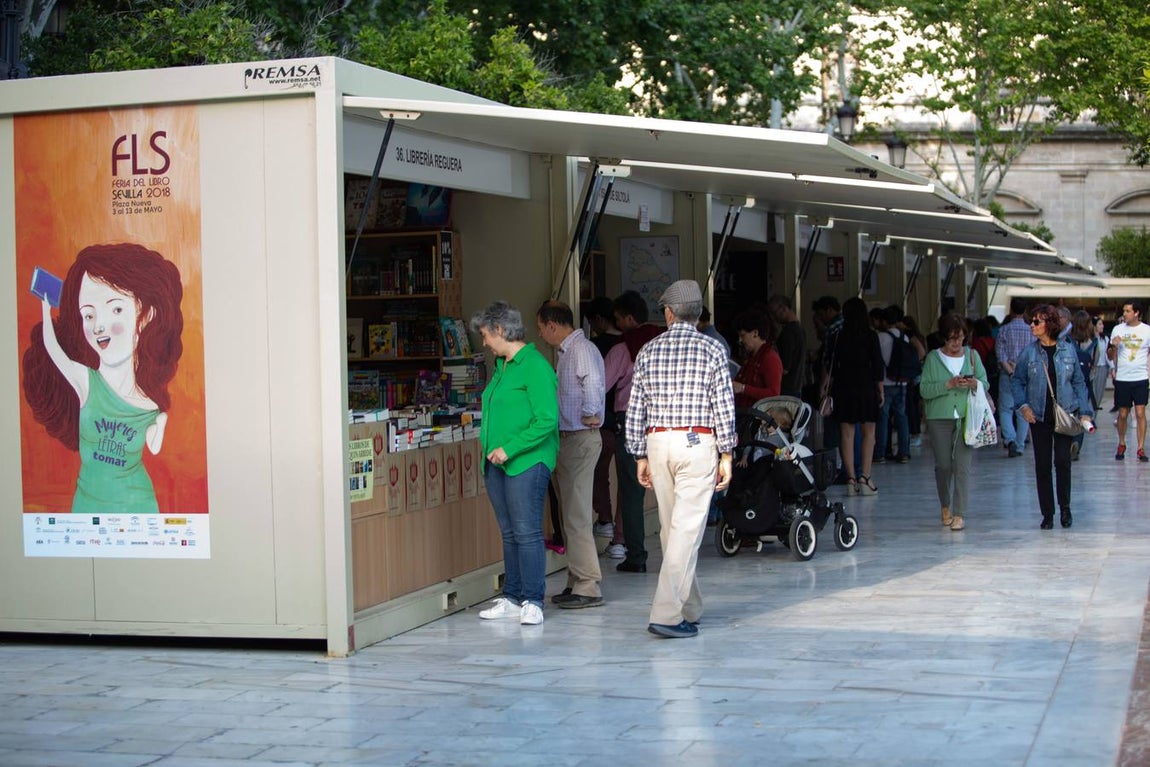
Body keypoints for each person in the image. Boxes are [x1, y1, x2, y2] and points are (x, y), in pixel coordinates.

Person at [24, 243, 184, 514]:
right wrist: (45, 306)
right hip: (87, 505)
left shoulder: (149, 407)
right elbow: (54, 350)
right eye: (88, 314)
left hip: (138, 508)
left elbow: (154, 448)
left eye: (116, 310)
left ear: (146, 316)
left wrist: (160, 423)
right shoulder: (87, 382)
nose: (98, 325)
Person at [626, 279, 735, 639]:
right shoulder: (713, 349)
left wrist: (639, 454)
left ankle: (689, 606)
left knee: (673, 530)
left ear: (670, 313)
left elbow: (636, 407)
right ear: (699, 314)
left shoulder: (648, 350)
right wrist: (727, 452)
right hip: (697, 441)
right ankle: (667, 614)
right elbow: (723, 405)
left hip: (658, 442)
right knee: (686, 532)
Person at [470, 301, 559, 625]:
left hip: (526, 462)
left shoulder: (534, 366)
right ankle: (512, 597)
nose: (484, 343)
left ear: (500, 330)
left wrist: (509, 449)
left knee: (526, 532)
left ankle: (533, 600)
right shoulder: (502, 366)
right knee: (509, 533)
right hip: (496, 463)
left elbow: (547, 419)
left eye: (485, 335)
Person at [536, 301, 606, 609]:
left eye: (541, 328)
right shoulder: (568, 352)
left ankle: (587, 584)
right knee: (569, 515)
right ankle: (576, 579)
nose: (541, 335)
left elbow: (593, 383)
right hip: (568, 440)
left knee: (576, 516)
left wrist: (591, 412)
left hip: (579, 438)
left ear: (552, 325)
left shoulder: (581, 350)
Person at [1014, 304, 1094, 530]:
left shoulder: (1067, 350)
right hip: (1038, 417)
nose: (1032, 325)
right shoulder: (1029, 353)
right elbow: (1017, 381)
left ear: (1049, 324)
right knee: (1042, 466)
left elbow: (1079, 382)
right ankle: (1047, 513)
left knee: (1062, 462)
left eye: (1036, 322)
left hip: (1064, 414)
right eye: (1032, 321)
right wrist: (1023, 406)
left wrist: (1085, 411)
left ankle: (1065, 508)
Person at [603, 291, 663, 569]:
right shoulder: (663, 342)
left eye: (618, 319)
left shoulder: (622, 348)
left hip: (630, 421)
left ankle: (636, 555)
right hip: (665, 421)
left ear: (628, 318)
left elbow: (601, 384)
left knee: (631, 490)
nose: (616, 324)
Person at [919, 313, 987, 531]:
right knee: (944, 466)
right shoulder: (933, 358)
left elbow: (985, 383)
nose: (957, 343)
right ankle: (945, 504)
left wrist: (973, 383)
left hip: (966, 418)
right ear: (943, 338)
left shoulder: (972, 356)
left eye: (960, 338)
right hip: (939, 418)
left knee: (962, 466)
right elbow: (924, 390)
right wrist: (947, 384)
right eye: (952, 339)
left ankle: (959, 513)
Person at [826, 297, 884, 496]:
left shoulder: (838, 336)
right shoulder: (871, 336)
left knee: (846, 434)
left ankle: (850, 479)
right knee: (869, 433)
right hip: (866, 386)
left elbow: (830, 363)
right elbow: (877, 364)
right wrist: (880, 389)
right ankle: (865, 478)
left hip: (844, 386)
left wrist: (826, 387)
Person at [583, 297, 624, 542]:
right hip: (626, 420)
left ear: (599, 319)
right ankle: (620, 537)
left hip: (602, 421)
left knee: (599, 472)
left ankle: (605, 519)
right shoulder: (628, 344)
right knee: (627, 481)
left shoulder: (593, 347)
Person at [1109, 300, 1150, 462]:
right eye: (1124, 311)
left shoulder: (1147, 330)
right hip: (1123, 378)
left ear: (1136, 313)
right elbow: (1109, 356)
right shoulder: (1117, 329)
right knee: (1123, 413)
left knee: (1140, 413)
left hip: (1140, 378)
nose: (1124, 314)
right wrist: (1114, 346)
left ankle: (1140, 448)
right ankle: (1121, 443)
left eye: (1128, 311)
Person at [874, 305, 912, 464]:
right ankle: (904, 452)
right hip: (902, 382)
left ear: (884, 321)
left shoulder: (880, 337)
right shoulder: (904, 337)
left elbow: (877, 361)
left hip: (884, 383)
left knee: (882, 418)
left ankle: (880, 453)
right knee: (901, 416)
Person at [996, 297, 1032, 458]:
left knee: (1005, 409)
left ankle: (1010, 439)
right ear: (1025, 311)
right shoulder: (1031, 331)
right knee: (1022, 410)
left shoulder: (1004, 330)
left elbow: (1000, 355)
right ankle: (1019, 445)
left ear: (1011, 310)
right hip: (1025, 376)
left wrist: (1011, 371)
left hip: (1007, 374)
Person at [731, 307, 782, 408]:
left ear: (755, 333)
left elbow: (774, 394)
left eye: (743, 335)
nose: (740, 340)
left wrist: (743, 388)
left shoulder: (769, 358)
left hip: (756, 415)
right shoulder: (752, 358)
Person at [1069, 309, 1099, 462]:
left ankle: (1068, 440)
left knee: (1069, 413)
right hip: (1085, 383)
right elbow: (1095, 363)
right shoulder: (1094, 341)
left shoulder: (1068, 340)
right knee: (1083, 414)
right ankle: (1077, 443)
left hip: (1069, 381)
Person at [767, 294, 806, 398]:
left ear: (783, 308)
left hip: (786, 388)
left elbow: (784, 367)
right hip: (796, 386)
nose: (773, 317)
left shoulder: (788, 333)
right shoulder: (800, 330)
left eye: (774, 313)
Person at [1090, 315, 1111, 412]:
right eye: (1099, 324)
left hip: (1102, 368)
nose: (1102, 326)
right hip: (1092, 368)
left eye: (1102, 324)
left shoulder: (1105, 339)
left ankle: (1094, 415)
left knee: (1099, 393)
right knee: (1091, 393)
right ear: (1094, 326)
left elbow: (1107, 355)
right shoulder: (1090, 339)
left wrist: (1112, 368)